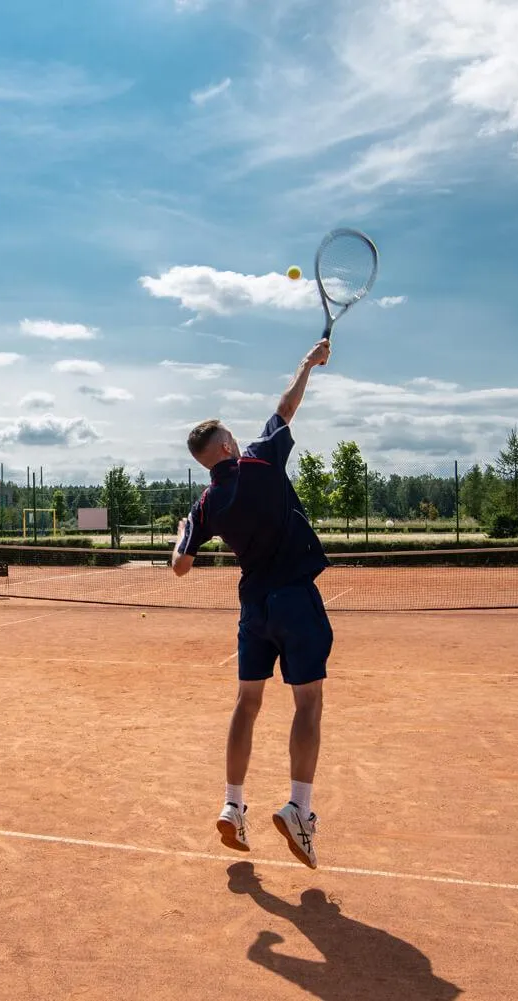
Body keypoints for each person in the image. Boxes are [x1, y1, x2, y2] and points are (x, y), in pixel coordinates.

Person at [173, 338, 333, 868]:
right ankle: (299, 809)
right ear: (221, 449)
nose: (238, 439)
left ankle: (232, 803)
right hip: (295, 599)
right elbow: (286, 407)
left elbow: (180, 566)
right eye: (230, 436)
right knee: (307, 703)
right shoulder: (261, 459)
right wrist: (307, 363)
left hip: (253, 610)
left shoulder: (205, 504)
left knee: (247, 703)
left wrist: (182, 534)